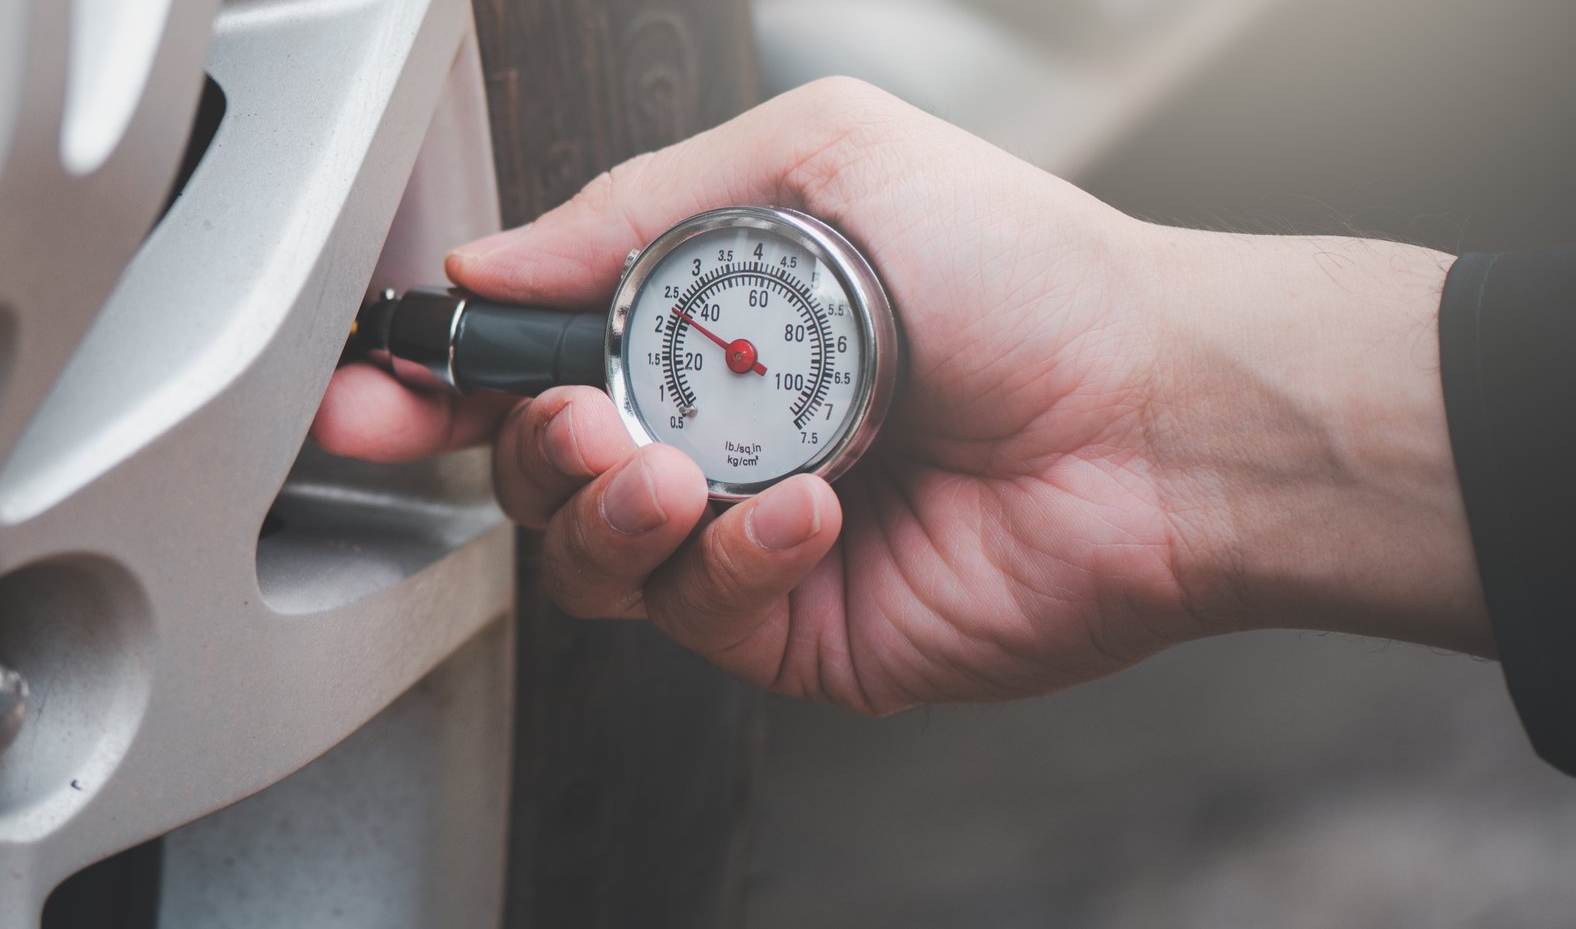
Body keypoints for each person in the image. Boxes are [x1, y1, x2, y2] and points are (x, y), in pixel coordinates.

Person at [312, 77, 1576, 771]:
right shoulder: (681, 343)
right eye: (732, 347)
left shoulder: (735, 357)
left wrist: (1160, 410)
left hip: (756, 423)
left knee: (623, 485)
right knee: (612, 477)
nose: (743, 355)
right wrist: (1157, 412)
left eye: (753, 353)